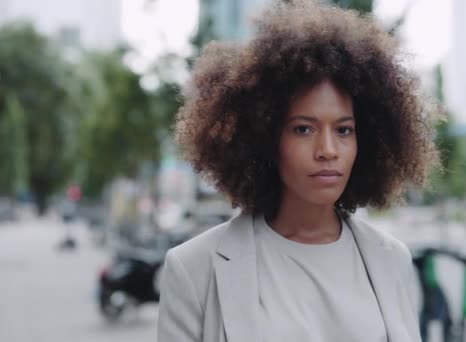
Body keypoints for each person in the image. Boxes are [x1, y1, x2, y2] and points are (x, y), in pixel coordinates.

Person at [157, 1, 438, 341]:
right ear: (265, 138)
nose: (328, 150)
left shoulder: (391, 259)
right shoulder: (193, 268)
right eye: (303, 129)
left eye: (344, 130)